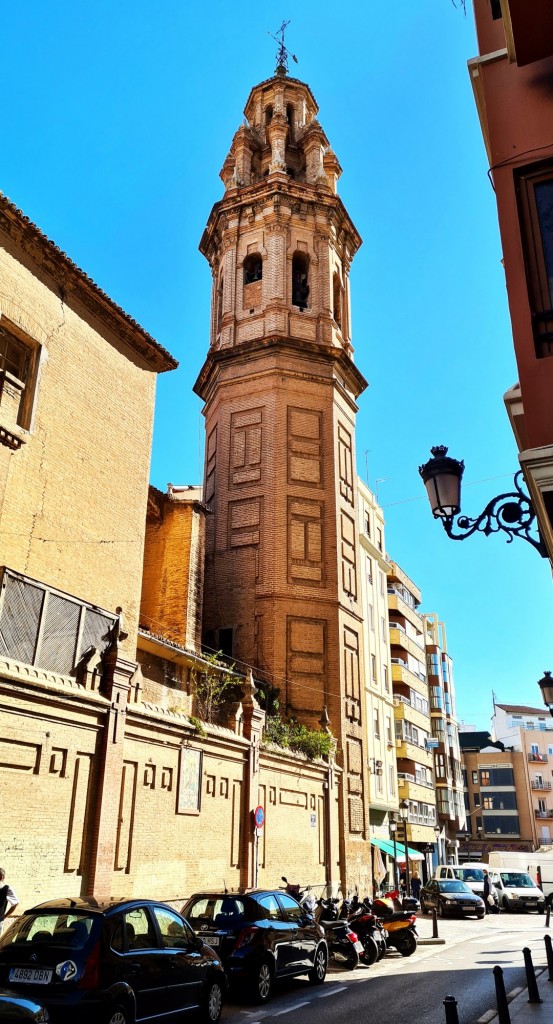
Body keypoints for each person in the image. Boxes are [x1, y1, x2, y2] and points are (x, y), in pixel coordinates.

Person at [0, 868, 18, 934]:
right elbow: (16, 903)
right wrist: (4, 916)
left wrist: (4, 916)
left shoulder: (6, 888)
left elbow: (16, 903)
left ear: (1, 877)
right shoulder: (7, 889)